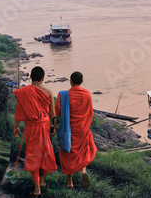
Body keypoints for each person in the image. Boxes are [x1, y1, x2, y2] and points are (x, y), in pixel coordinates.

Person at [13, 66, 57, 197]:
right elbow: (53, 113)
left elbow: (18, 112)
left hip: (31, 128)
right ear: (43, 78)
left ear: (30, 77)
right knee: (44, 153)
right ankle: (42, 181)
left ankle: (38, 187)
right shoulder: (48, 92)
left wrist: (15, 127)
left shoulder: (24, 92)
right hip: (45, 127)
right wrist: (53, 128)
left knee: (33, 155)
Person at [55, 71, 97, 189]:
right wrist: (85, 125)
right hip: (82, 129)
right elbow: (90, 113)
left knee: (67, 153)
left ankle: (70, 182)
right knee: (84, 149)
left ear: (71, 81)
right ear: (82, 82)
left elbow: (58, 112)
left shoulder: (63, 95)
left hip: (68, 130)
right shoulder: (87, 94)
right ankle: (83, 170)